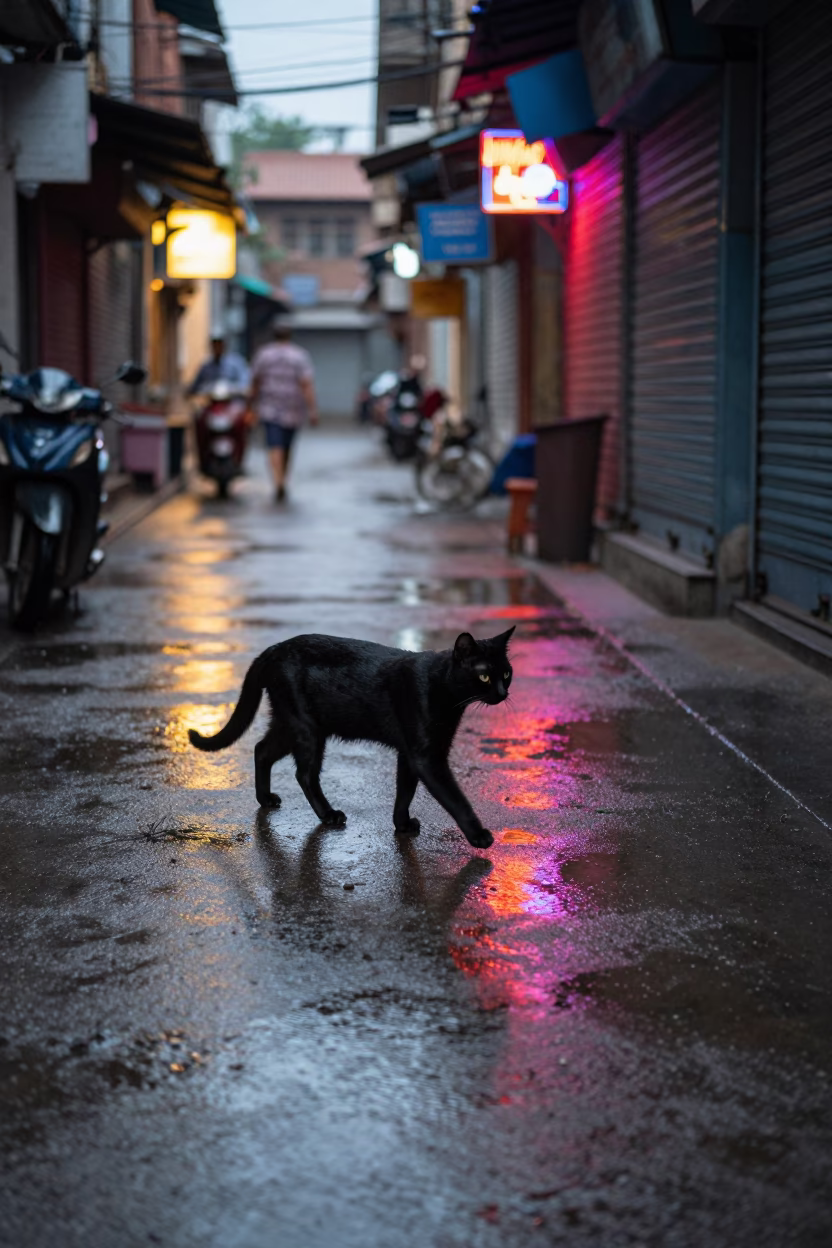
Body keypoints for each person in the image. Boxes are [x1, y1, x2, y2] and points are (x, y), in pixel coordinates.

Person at [250, 319, 317, 502]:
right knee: (286, 447)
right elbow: (306, 384)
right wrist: (313, 410)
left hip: (269, 408)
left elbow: (255, 382)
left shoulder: (264, 355)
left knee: (275, 445)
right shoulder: (299, 356)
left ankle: (278, 480)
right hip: (293, 409)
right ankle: (282, 480)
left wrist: (250, 405)